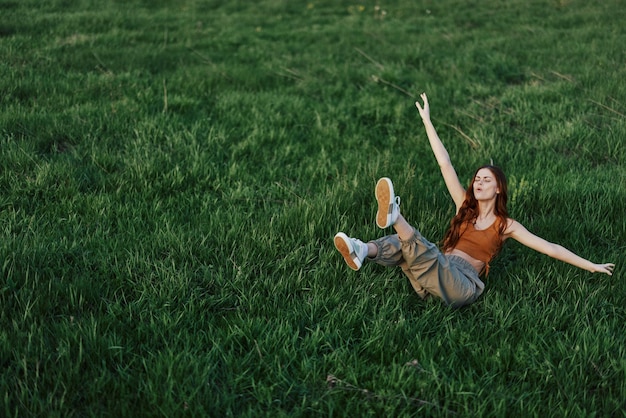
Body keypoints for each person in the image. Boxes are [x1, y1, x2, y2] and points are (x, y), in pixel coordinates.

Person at [334, 93, 615, 308]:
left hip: (461, 284)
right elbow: (445, 164)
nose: (478, 182)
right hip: (429, 281)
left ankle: (395, 217)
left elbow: (551, 248)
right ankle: (362, 248)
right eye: (477, 179)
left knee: (423, 250)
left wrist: (591, 265)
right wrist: (427, 122)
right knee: (410, 247)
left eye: (486, 180)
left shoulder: (507, 226)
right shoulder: (463, 208)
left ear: (498, 190)